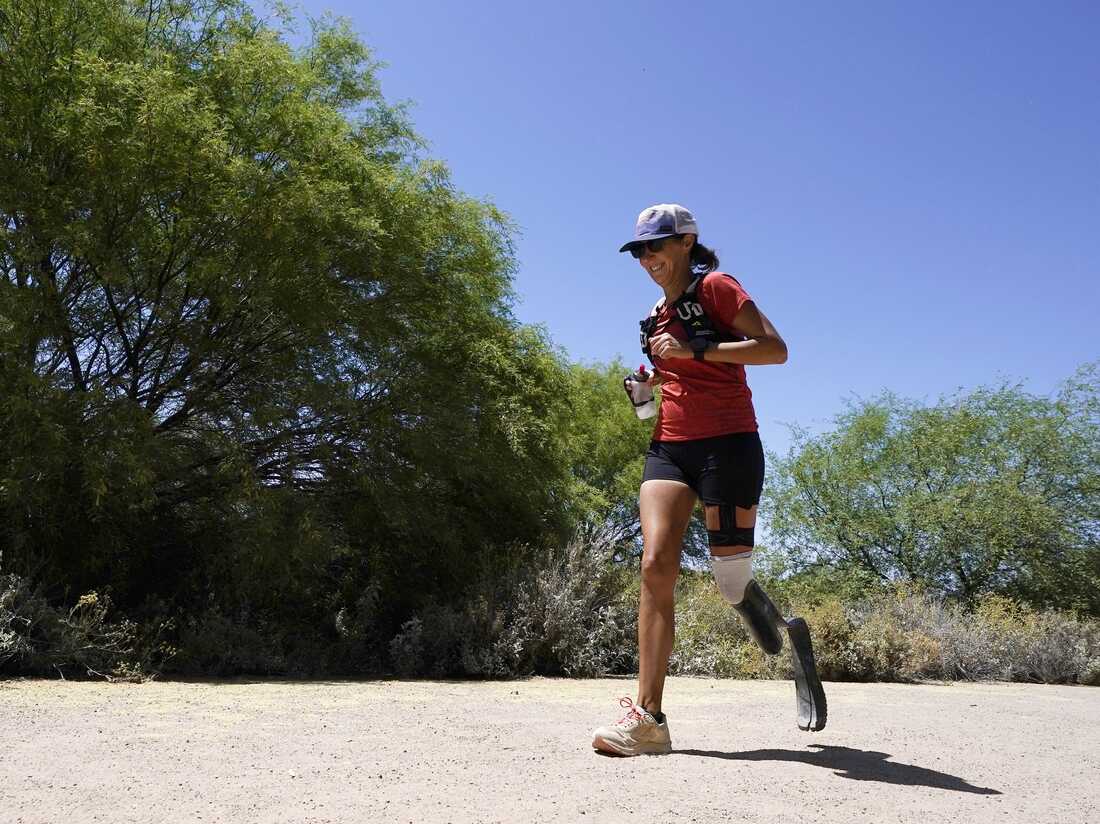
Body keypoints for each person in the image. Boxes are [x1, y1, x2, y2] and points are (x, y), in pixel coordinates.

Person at [591, 204, 827, 757]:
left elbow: (776, 349)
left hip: (729, 445)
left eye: (657, 246)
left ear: (686, 242)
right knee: (655, 564)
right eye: (640, 251)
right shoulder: (653, 318)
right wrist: (643, 399)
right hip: (670, 447)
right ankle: (649, 720)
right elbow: (651, 411)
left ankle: (788, 637)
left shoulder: (716, 288)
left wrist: (697, 348)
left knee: (729, 583)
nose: (648, 258)